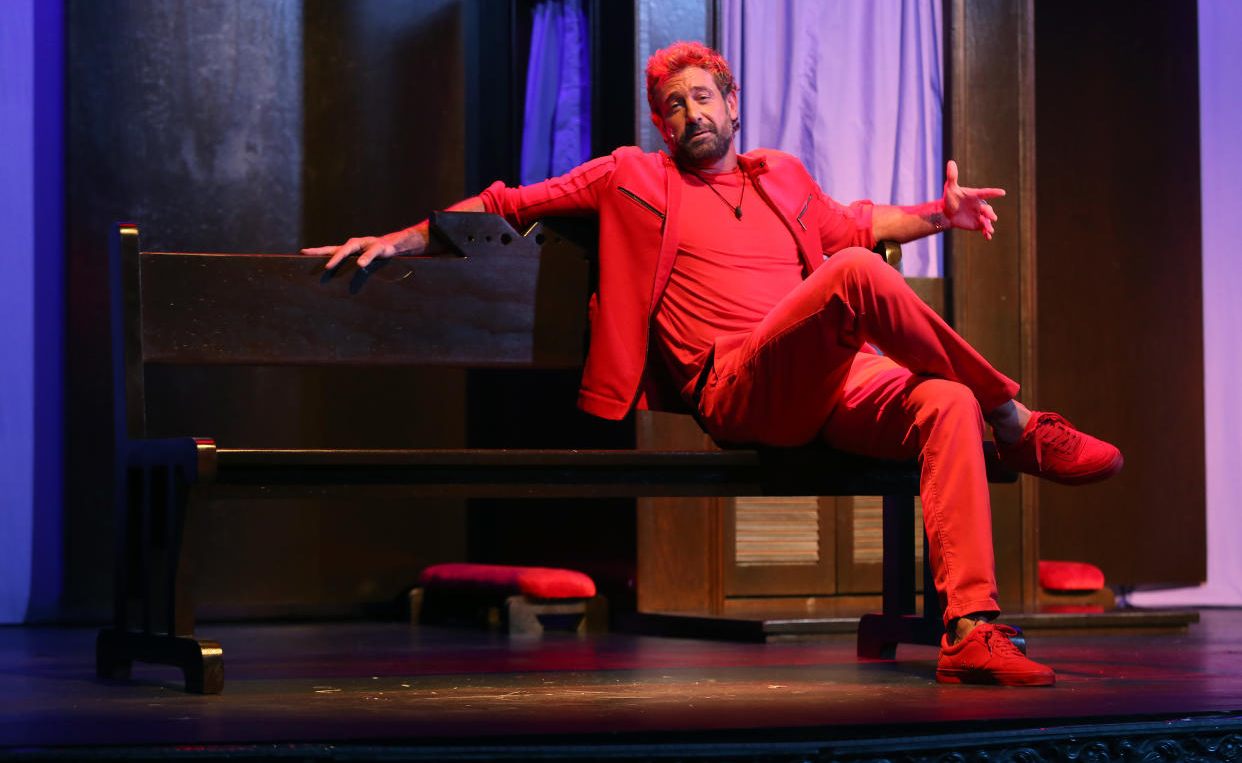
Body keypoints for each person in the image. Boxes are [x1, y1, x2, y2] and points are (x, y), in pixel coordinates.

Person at [305, 40, 1123, 686]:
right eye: (673, 106)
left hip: (830, 387)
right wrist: (396, 239)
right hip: (735, 387)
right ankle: (1013, 418)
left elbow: (860, 221)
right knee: (858, 279)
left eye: (702, 96)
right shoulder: (633, 176)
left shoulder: (783, 180)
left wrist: (940, 217)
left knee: (943, 401)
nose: (689, 112)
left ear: (732, 105)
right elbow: (507, 204)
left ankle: (969, 631)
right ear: (662, 125)